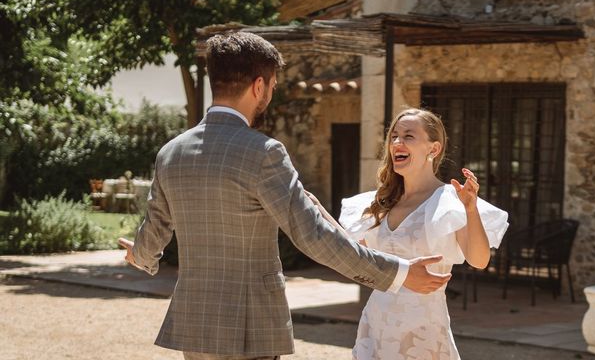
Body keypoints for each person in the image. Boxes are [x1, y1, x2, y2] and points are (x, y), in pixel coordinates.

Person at [118, 32, 452, 360]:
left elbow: (154, 231)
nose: (271, 94)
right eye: (273, 86)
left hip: (194, 324)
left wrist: (141, 255)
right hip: (251, 328)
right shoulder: (263, 152)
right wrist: (399, 273)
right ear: (258, 85)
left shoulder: (171, 153)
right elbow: (314, 236)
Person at [324, 108, 509, 360]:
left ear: (433, 149)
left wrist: (470, 209)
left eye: (409, 136)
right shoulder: (378, 203)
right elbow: (352, 254)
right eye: (394, 136)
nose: (397, 142)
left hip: (423, 334)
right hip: (375, 326)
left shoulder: (450, 202)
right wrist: (314, 209)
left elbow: (479, 260)